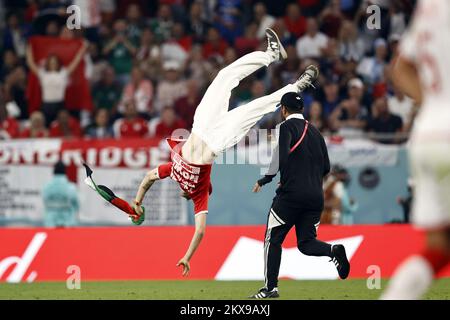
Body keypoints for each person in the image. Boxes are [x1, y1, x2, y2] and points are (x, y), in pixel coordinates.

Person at [131, 29, 317, 277]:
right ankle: (297, 86)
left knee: (223, 77)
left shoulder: (173, 173)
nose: (188, 189)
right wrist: (187, 257)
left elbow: (148, 178)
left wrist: (137, 201)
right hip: (219, 140)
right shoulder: (199, 193)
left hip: (201, 124)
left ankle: (271, 54)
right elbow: (199, 231)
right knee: (255, 108)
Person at [249, 91, 350, 299]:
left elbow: (280, 157)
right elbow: (326, 167)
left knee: (273, 239)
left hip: (291, 196)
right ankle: (334, 250)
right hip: (315, 197)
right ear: (302, 109)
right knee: (306, 243)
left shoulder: (285, 127)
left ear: (283, 110)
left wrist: (265, 179)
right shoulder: (316, 132)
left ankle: (270, 288)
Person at [381, 0, 450, 299]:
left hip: (428, 135)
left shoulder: (431, 6)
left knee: (439, 249)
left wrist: (436, 105)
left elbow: (401, 68)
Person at [26, 41, 88, 125]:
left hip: (59, 104)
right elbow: (31, 63)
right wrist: (29, 49)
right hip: (46, 105)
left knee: (61, 126)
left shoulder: (63, 73)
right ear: (48, 63)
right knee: (46, 126)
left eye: (54, 62)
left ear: (58, 63)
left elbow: (75, 62)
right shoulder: (43, 74)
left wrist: (82, 49)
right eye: (51, 62)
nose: (53, 63)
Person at [42, 161, 79, 227]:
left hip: (51, 222)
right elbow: (76, 205)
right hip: (68, 222)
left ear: (54, 171)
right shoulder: (71, 187)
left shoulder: (47, 187)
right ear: (65, 172)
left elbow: (45, 201)